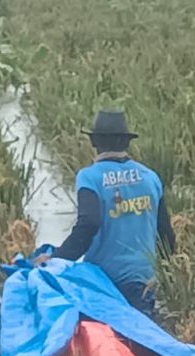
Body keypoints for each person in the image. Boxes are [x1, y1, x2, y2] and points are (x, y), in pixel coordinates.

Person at [38, 110, 176, 317]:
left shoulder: (90, 177)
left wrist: (56, 259)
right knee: (141, 339)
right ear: (126, 143)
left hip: (104, 283)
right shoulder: (150, 177)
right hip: (144, 282)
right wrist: (162, 271)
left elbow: (89, 223)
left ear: (94, 143)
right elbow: (165, 234)